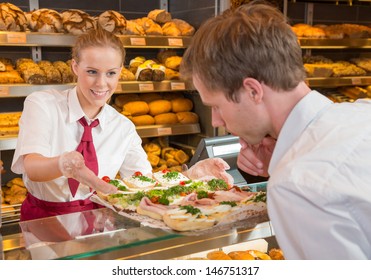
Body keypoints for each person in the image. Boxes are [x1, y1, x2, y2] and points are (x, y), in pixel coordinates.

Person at [180, 0, 371, 259]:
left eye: (216, 106)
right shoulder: (362, 112)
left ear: (253, 91)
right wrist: (282, 158)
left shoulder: (297, 184)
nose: (215, 121)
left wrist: (286, 167)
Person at [11, 27, 232, 222]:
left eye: (111, 73)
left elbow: (144, 183)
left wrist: (189, 177)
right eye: (91, 72)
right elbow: (32, 167)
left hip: (98, 222)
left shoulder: (123, 127)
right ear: (75, 67)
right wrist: (62, 164)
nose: (101, 83)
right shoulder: (43, 104)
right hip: (42, 221)